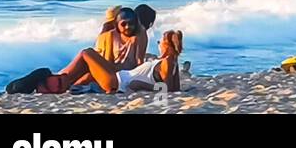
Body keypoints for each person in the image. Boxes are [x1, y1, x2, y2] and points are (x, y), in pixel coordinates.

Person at [21, 31, 184, 95]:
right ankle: (58, 81)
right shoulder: (172, 62)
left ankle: (57, 82)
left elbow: (167, 91)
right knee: (88, 69)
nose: (159, 44)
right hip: (118, 79)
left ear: (167, 45)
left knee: (86, 53)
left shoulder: (168, 62)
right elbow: (175, 89)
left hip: (117, 82)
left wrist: (139, 85)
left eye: (160, 42)